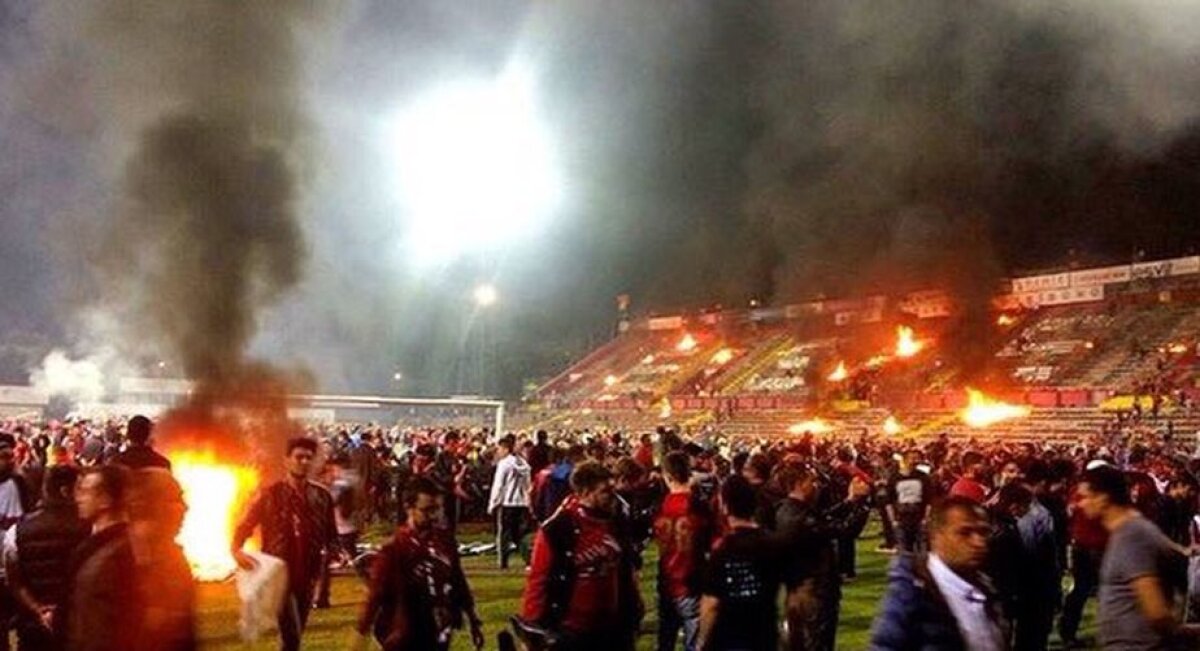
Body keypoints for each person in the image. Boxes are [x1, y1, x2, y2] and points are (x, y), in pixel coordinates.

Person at [519, 461, 643, 651]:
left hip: (613, 626)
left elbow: (627, 568)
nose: (612, 496)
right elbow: (539, 578)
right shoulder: (559, 529)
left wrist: (634, 604)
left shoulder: (616, 523)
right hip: (571, 628)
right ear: (584, 492)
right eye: (604, 491)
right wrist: (532, 626)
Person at [1077, 465, 1200, 649]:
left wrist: (1186, 635)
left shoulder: (1132, 535)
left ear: (1103, 498)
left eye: (1085, 496)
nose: (1081, 503)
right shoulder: (1129, 531)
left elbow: (1156, 612)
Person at [354, 475, 484, 651]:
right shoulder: (395, 549)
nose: (434, 516)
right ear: (409, 508)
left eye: (437, 509)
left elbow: (457, 579)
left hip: (439, 631)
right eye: (427, 510)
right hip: (406, 635)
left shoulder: (445, 541)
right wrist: (361, 634)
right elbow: (377, 593)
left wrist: (472, 618)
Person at [231, 437, 335, 651]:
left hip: (307, 574)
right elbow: (246, 524)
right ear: (287, 460)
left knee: (293, 638)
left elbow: (330, 534)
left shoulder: (322, 497)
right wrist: (236, 550)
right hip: (278, 574)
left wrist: (333, 553)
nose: (304, 462)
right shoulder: (270, 495)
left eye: (308, 458)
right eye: (299, 457)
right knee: (292, 634)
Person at [870, 496, 1008, 650]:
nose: (979, 542)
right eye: (965, 533)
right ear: (936, 537)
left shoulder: (986, 588)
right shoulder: (911, 595)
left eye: (983, 532)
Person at [775, 460, 871, 651]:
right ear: (799, 483)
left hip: (799, 588)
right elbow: (845, 530)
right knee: (817, 642)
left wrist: (849, 501)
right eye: (811, 481)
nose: (815, 486)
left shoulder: (788, 509)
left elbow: (823, 517)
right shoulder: (801, 517)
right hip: (815, 591)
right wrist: (863, 503)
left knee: (799, 641)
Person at [5, 466, 89, 651]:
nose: (83, 496)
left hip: (32, 627)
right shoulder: (90, 528)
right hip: (77, 626)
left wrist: (39, 610)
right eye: (81, 489)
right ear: (66, 491)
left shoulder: (17, 531)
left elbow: (15, 582)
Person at [697, 474, 782, 651]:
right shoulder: (773, 544)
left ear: (726, 507)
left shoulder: (722, 550)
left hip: (730, 638)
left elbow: (711, 603)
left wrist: (701, 641)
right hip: (764, 634)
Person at [59, 465, 139, 651]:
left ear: (105, 500)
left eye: (86, 492)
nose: (78, 499)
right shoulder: (93, 546)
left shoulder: (121, 553)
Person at [126, 468, 196, 651]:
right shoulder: (128, 558)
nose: (185, 507)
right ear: (151, 503)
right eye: (176, 499)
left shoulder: (168, 553)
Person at [653, 451, 714, 651]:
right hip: (691, 581)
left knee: (666, 641)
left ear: (667, 475)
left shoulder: (659, 506)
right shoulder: (699, 505)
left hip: (666, 582)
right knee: (695, 642)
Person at [488, 434, 531, 570]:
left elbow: (499, 485)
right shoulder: (523, 463)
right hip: (521, 503)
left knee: (504, 535)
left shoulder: (504, 464)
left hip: (507, 503)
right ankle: (529, 560)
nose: (498, 452)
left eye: (500, 449)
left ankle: (503, 562)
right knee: (520, 534)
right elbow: (528, 484)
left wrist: (493, 503)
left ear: (506, 449)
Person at [887, 449, 933, 553]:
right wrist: (893, 520)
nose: (915, 461)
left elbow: (929, 500)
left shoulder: (923, 477)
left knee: (923, 551)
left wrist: (926, 518)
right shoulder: (894, 478)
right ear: (904, 460)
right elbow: (889, 501)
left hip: (919, 517)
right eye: (912, 458)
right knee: (905, 552)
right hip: (902, 518)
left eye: (917, 458)